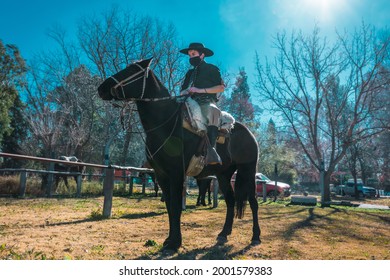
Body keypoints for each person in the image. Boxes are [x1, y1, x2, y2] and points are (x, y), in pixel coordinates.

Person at [180, 42, 225, 165]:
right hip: (188, 101)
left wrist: (199, 90)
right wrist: (185, 91)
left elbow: (221, 88)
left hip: (206, 102)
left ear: (202, 55)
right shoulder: (189, 73)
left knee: (213, 111)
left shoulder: (212, 69)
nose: (191, 57)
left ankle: (211, 151)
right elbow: (182, 90)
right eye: (189, 55)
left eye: (193, 54)